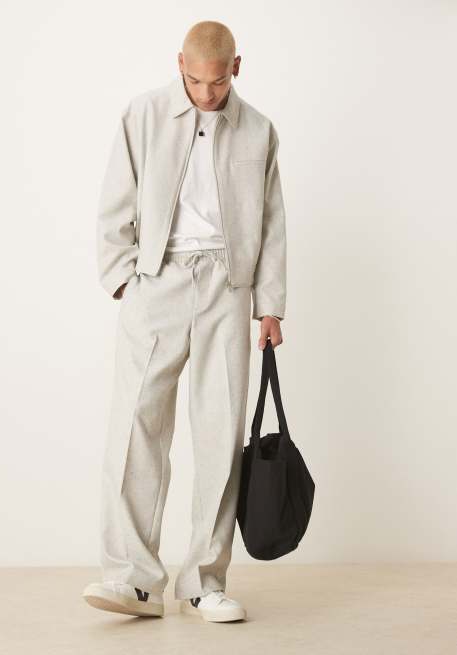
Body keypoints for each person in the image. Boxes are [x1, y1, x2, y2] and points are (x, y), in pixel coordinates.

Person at [82, 20, 287, 623]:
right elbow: (115, 199)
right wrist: (124, 279)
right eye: (195, 80)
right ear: (180, 66)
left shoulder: (259, 129)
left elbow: (273, 221)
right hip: (157, 280)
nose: (205, 93)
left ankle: (204, 581)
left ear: (236, 68)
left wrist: (269, 303)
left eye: (217, 81)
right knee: (136, 426)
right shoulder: (143, 115)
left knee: (221, 431)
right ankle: (131, 579)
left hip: (229, 284)